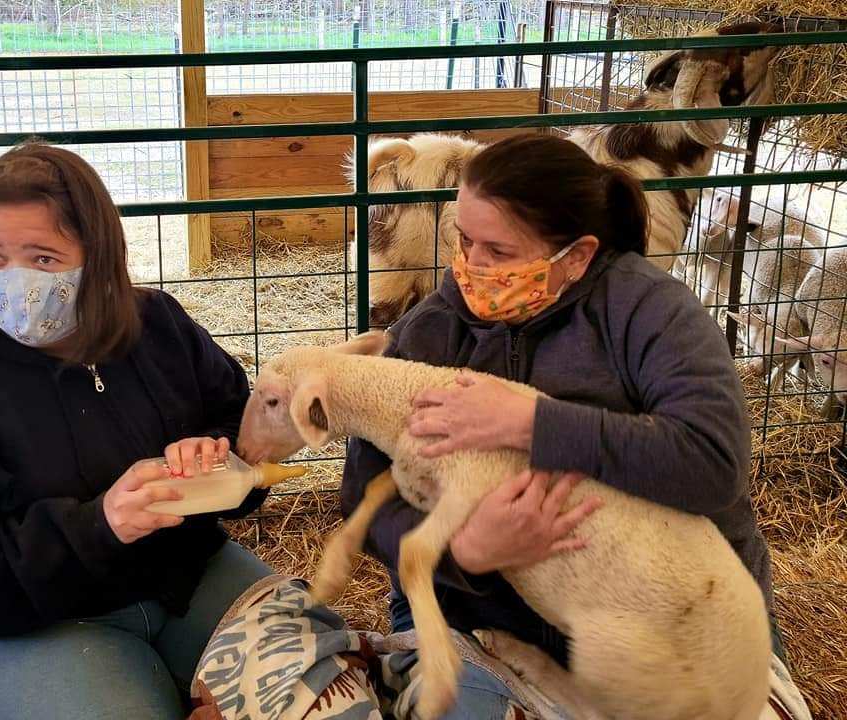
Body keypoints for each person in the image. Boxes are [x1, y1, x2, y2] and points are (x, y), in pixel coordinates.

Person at [339, 134, 810, 718]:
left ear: (578, 256)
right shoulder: (432, 330)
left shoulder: (650, 310)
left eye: (498, 251)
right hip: (480, 615)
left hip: (673, 613)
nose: (469, 268)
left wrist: (532, 423)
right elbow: (362, 495)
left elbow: (714, 463)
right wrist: (465, 550)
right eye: (463, 240)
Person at [0, 142, 274, 720]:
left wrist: (220, 456)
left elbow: (238, 425)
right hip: (17, 626)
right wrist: (98, 527)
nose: (14, 281)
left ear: (97, 256)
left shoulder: (159, 327)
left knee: (327, 681)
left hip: (181, 578)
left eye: (42, 259)